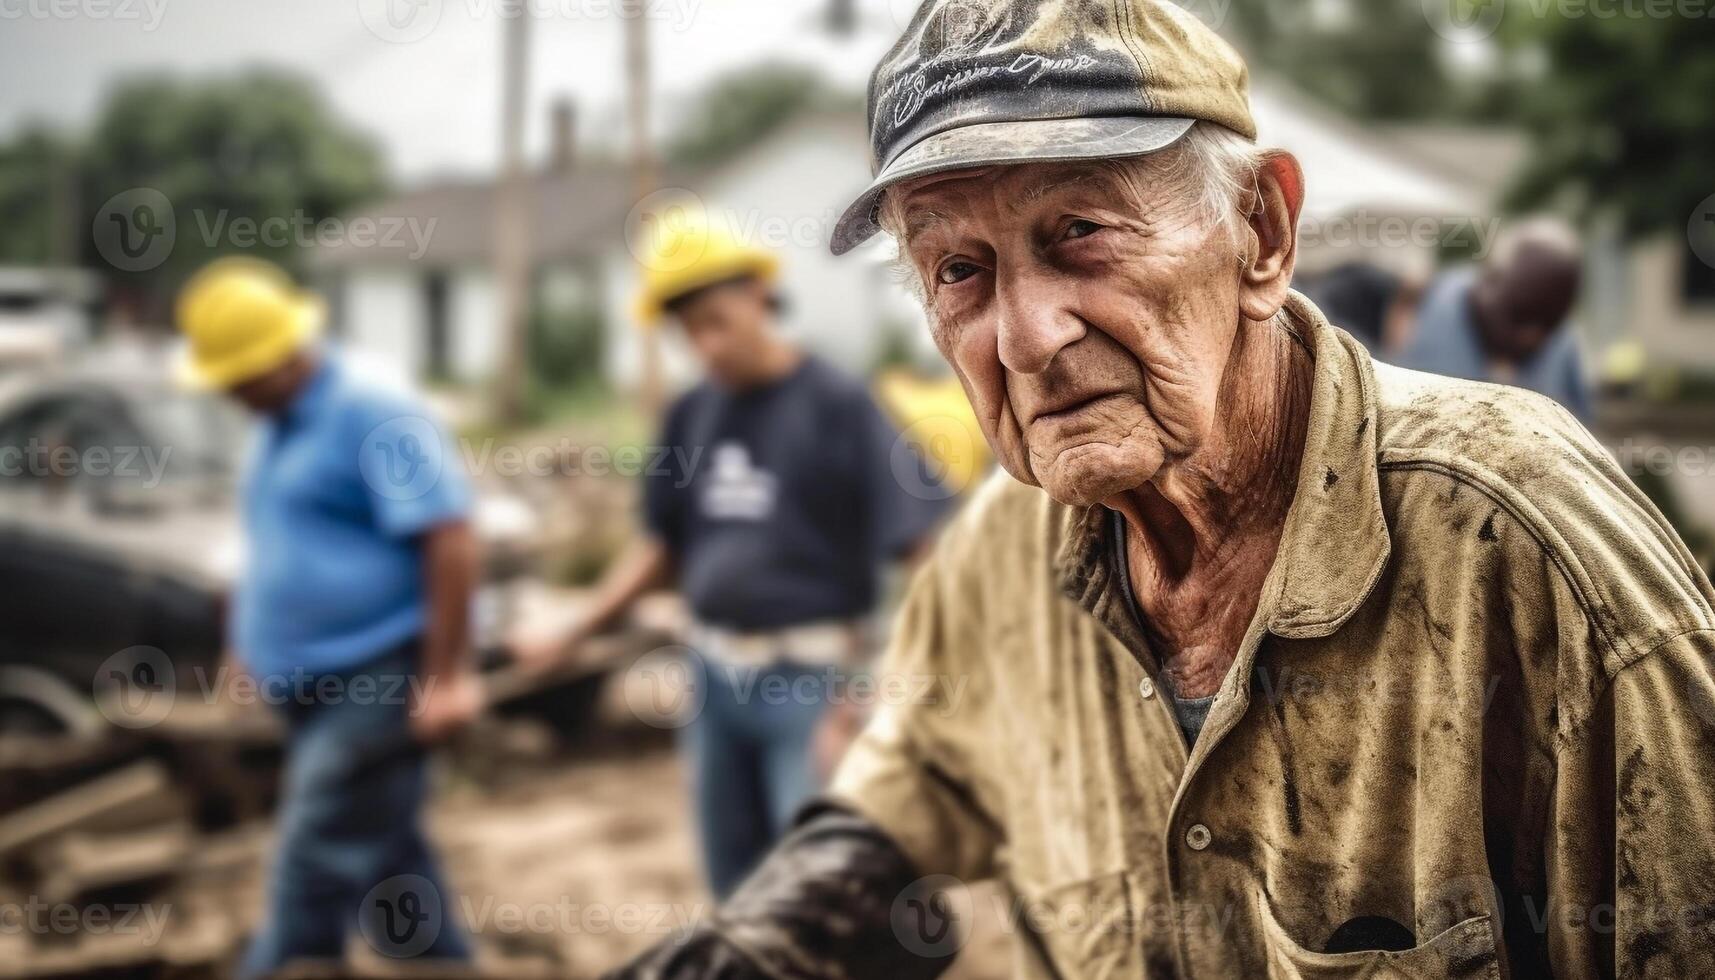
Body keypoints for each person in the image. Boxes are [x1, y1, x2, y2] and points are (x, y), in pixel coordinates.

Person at [610, 1, 1715, 976]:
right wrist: (795, 911)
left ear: (1261, 234)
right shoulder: (1003, 548)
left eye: (1079, 231)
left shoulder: (1520, 541)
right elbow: (926, 760)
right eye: (959, 269)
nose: (1029, 335)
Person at [509, 223, 950, 899]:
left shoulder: (839, 405)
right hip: (713, 680)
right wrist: (571, 632)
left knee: (811, 890)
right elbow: (662, 551)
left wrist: (877, 689)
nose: (705, 345)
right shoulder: (693, 413)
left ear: (758, 294)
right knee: (734, 888)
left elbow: (926, 555)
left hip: (810, 682)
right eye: (688, 331)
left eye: (716, 321)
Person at [175, 259, 480, 978]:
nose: (230, 395)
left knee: (311, 862)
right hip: (308, 689)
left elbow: (452, 538)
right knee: (388, 853)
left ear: (281, 357)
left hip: (377, 676)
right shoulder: (274, 423)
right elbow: (272, 540)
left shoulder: (374, 410)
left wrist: (446, 676)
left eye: (237, 379)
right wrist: (244, 647)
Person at [1399, 219, 1592, 419]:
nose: (1531, 337)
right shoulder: (1433, 310)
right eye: (1520, 315)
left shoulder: (1563, 342)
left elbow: (1583, 430)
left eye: (1549, 323)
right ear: (1489, 282)